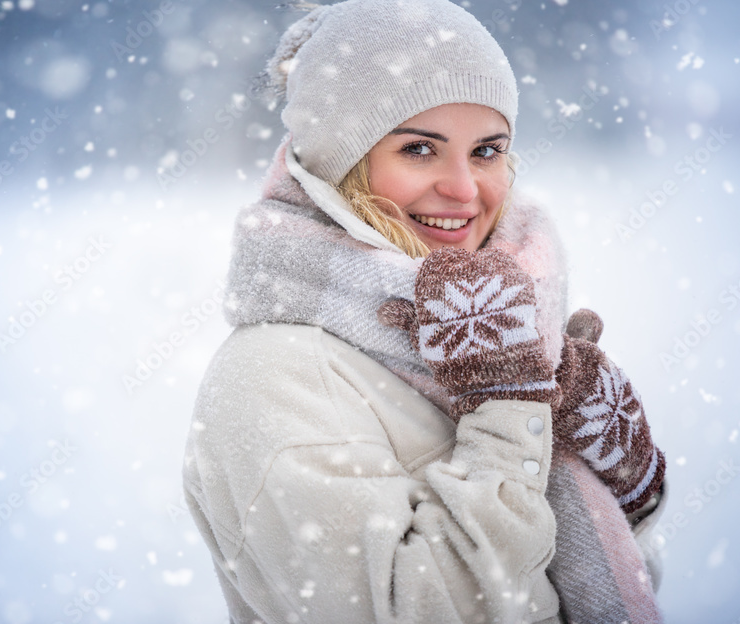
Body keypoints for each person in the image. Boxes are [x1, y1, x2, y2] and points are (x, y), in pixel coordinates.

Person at [181, 1, 668, 622]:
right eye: (419, 149)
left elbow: (593, 589)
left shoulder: (515, 324)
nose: (465, 189)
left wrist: (627, 488)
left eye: (487, 150)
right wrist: (509, 412)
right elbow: (416, 609)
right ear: (340, 164)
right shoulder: (271, 375)